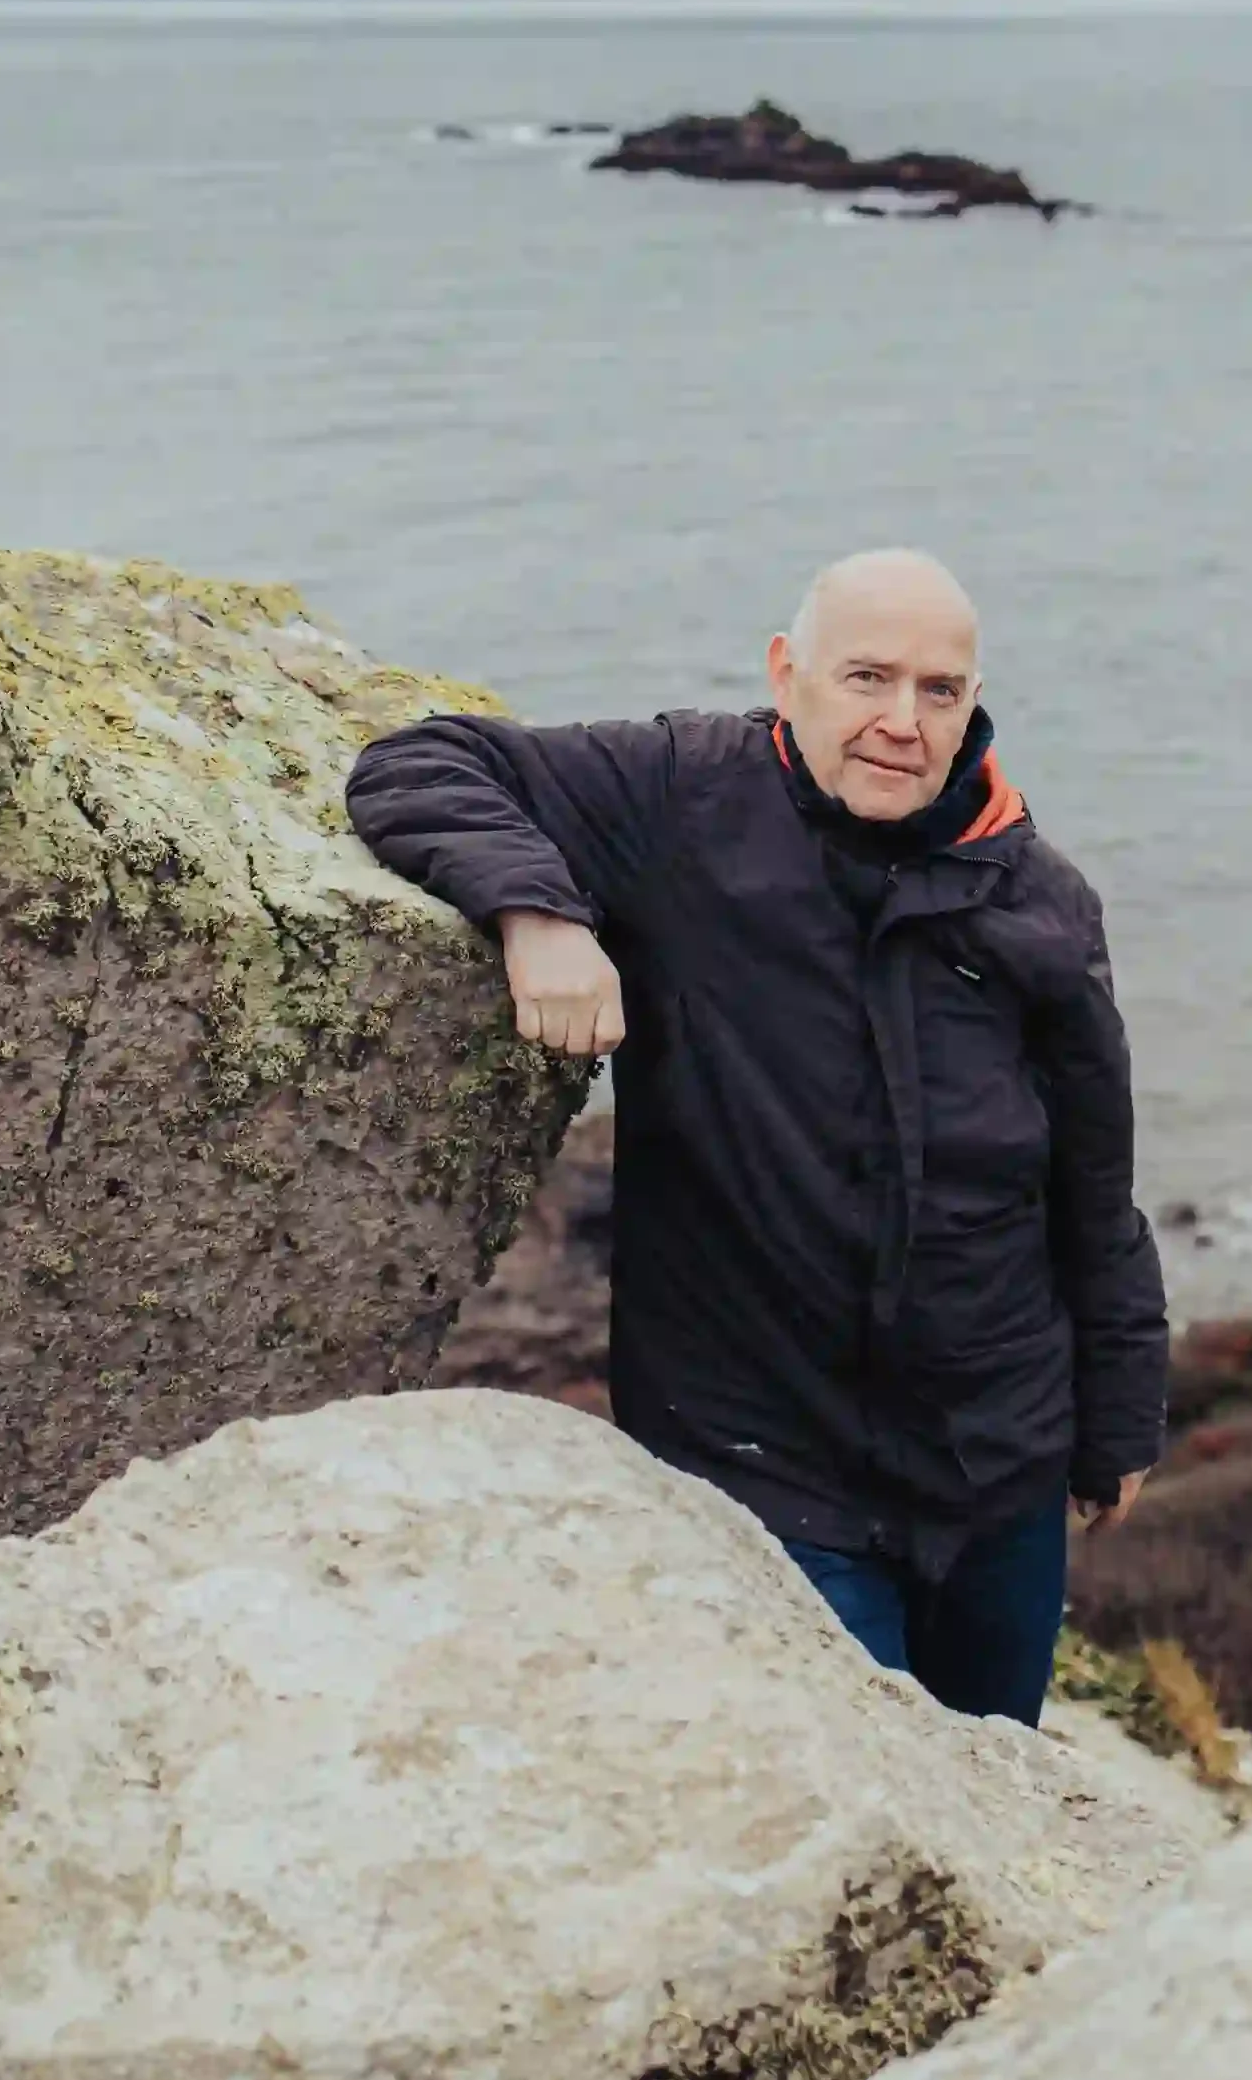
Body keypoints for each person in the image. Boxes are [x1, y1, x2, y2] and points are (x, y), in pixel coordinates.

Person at [345, 549, 1167, 1724]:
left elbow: (1094, 1186)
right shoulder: (681, 799)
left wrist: (1118, 1417)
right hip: (763, 1462)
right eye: (866, 677)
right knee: (862, 1788)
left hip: (998, 1467)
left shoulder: (1036, 898)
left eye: (939, 690)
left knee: (998, 1785)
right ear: (788, 675)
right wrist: (540, 913)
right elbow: (420, 763)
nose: (901, 721)